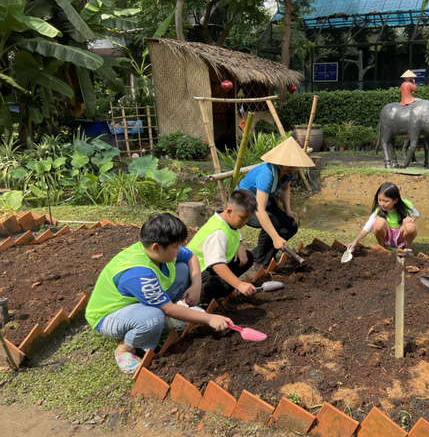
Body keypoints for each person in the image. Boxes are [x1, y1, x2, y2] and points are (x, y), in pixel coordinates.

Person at [85, 213, 232, 374]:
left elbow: (191, 256)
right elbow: (168, 308)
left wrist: (196, 284)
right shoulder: (139, 273)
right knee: (154, 317)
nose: (179, 250)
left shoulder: (156, 250)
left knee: (182, 269)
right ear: (156, 247)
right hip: (109, 316)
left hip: (137, 302)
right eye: (175, 246)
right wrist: (210, 319)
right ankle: (124, 349)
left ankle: (165, 321)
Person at [238, 136, 315, 269]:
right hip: (243, 203)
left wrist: (288, 211)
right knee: (273, 223)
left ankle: (262, 255)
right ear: (280, 162)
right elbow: (260, 210)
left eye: (295, 165)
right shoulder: (266, 175)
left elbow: (285, 189)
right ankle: (261, 263)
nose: (293, 168)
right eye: (290, 165)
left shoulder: (288, 171)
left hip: (265, 200)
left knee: (290, 226)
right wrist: (275, 237)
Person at [187, 189, 258, 304]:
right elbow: (217, 265)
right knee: (226, 284)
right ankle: (191, 299)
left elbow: (233, 231)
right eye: (242, 218)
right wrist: (239, 284)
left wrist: (240, 244)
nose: (245, 222)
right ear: (229, 211)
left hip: (207, 269)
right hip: (195, 274)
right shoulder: (218, 232)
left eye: (248, 218)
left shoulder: (225, 219)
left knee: (247, 257)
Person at [347, 182, 419, 252]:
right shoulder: (378, 211)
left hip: (400, 237)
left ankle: (406, 249)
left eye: (386, 201)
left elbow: (416, 213)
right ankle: (382, 248)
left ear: (395, 200)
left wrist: (411, 218)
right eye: (380, 200)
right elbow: (366, 229)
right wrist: (355, 241)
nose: (382, 204)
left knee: (411, 226)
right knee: (379, 222)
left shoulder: (405, 205)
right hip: (387, 237)